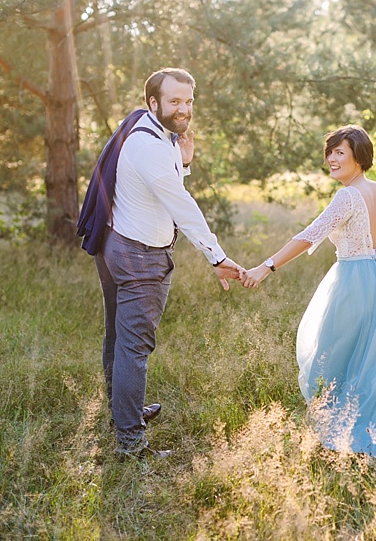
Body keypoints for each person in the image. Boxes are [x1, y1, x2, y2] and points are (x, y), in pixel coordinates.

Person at [242, 124, 376, 459]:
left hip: (353, 281)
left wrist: (267, 266)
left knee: (333, 353)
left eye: (341, 152)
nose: (332, 159)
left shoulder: (348, 196)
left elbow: (311, 234)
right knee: (372, 356)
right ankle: (367, 424)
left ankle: (345, 428)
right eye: (331, 152)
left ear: (359, 157)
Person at [82, 68, 244, 459]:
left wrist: (183, 162)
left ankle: (123, 413)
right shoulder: (151, 145)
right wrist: (217, 257)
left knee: (118, 340)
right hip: (138, 257)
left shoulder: (147, 128)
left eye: (188, 101)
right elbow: (181, 206)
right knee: (133, 348)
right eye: (174, 101)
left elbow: (162, 188)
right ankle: (131, 442)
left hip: (116, 244)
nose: (183, 109)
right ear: (153, 102)